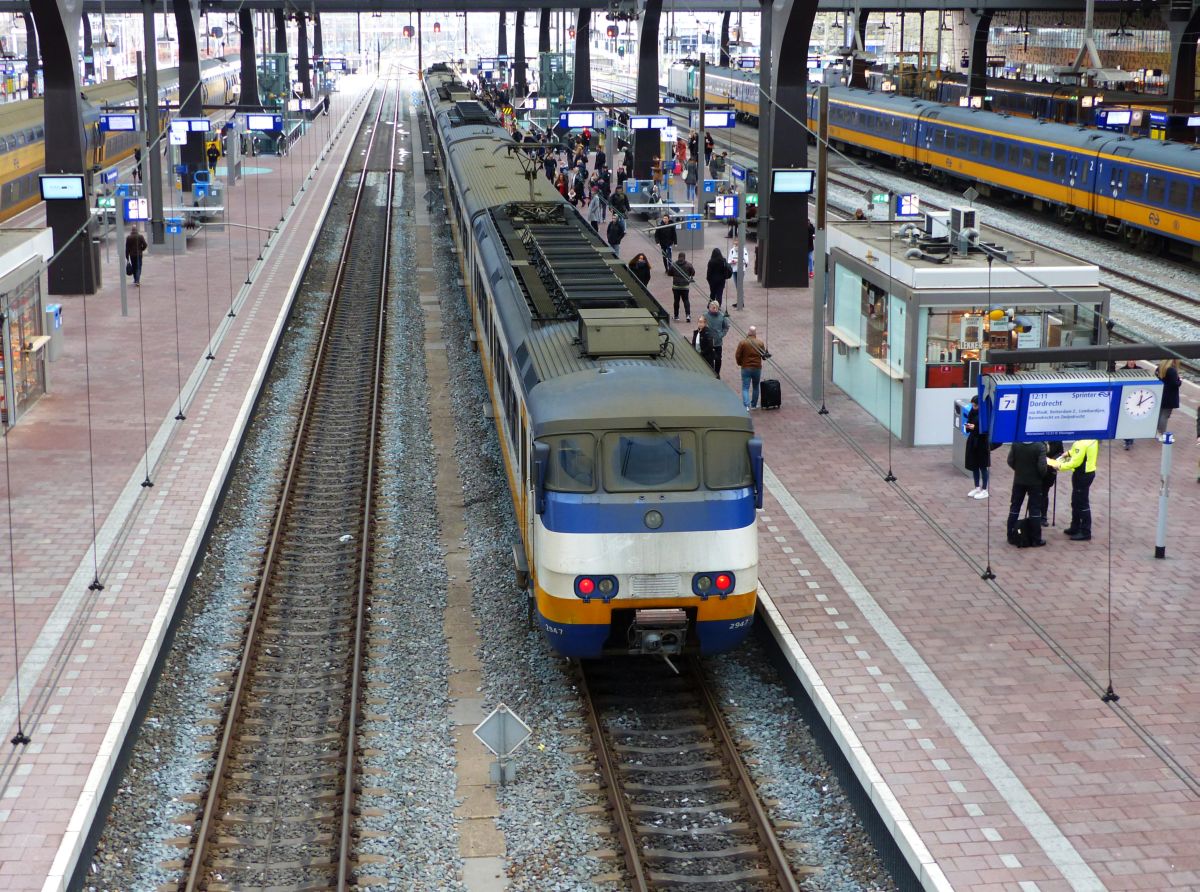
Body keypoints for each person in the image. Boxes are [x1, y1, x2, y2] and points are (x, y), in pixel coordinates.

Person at [1049, 438, 1099, 541]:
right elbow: (1080, 453)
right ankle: (1075, 526)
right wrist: (1068, 453)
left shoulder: (1080, 443)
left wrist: (1060, 466)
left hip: (1081, 475)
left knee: (1081, 503)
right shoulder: (1092, 439)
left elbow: (1075, 462)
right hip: (1088, 473)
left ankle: (1085, 531)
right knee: (1076, 501)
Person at [1006, 440, 1048, 546]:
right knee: (1035, 509)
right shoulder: (1040, 446)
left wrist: (1019, 470)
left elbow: (1010, 461)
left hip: (1019, 480)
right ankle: (1036, 539)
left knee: (1015, 507)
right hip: (1035, 482)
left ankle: (1011, 536)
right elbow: (1042, 468)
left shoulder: (1016, 443)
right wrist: (1040, 475)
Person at [964, 395, 990, 499]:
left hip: (982, 443)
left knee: (983, 466)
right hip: (973, 441)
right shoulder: (972, 412)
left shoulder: (984, 414)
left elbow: (984, 429)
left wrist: (974, 427)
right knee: (974, 465)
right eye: (973, 405)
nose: (973, 407)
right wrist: (970, 427)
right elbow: (968, 425)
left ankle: (984, 489)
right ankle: (977, 487)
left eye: (975, 405)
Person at [735, 326, 767, 409]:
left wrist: (740, 363)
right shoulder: (760, 343)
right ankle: (754, 405)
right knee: (756, 386)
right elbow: (764, 357)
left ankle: (746, 406)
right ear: (755, 333)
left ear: (749, 332)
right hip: (757, 368)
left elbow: (737, 355)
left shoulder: (743, 343)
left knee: (745, 387)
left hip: (746, 367)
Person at [703, 300, 731, 378]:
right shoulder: (705, 315)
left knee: (718, 359)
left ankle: (717, 373)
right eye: (712, 307)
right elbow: (700, 325)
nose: (714, 309)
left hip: (718, 342)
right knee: (708, 359)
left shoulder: (722, 316)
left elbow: (726, 326)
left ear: (718, 308)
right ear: (709, 308)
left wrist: (721, 334)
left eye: (716, 308)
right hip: (708, 342)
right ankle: (709, 373)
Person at [1039, 440, 1064, 526]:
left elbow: (1061, 453)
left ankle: (1043, 516)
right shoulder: (1038, 438)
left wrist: (1051, 461)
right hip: (1037, 470)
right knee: (1036, 493)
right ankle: (1034, 515)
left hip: (1049, 471)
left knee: (1044, 493)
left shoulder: (1057, 440)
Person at [1156, 358, 1181, 439]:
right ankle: (1161, 433)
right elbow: (1175, 384)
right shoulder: (1172, 370)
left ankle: (1156, 431)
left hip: (1160, 393)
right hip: (1169, 396)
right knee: (1165, 415)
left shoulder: (1160, 368)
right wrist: (1180, 381)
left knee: (1160, 413)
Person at [671, 252, 696, 322]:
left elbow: (669, 273)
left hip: (676, 286)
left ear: (678, 257)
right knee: (686, 300)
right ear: (684, 257)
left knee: (676, 301)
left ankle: (676, 316)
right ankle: (688, 315)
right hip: (685, 286)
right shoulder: (689, 265)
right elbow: (693, 273)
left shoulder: (674, 264)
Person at [1121, 360, 1139, 449]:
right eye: (1130, 360)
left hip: (1136, 401)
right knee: (1126, 419)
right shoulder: (1121, 371)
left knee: (1133, 420)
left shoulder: (1140, 371)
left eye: (1133, 360)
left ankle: (1130, 438)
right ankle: (1127, 439)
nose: (1132, 362)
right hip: (1125, 400)